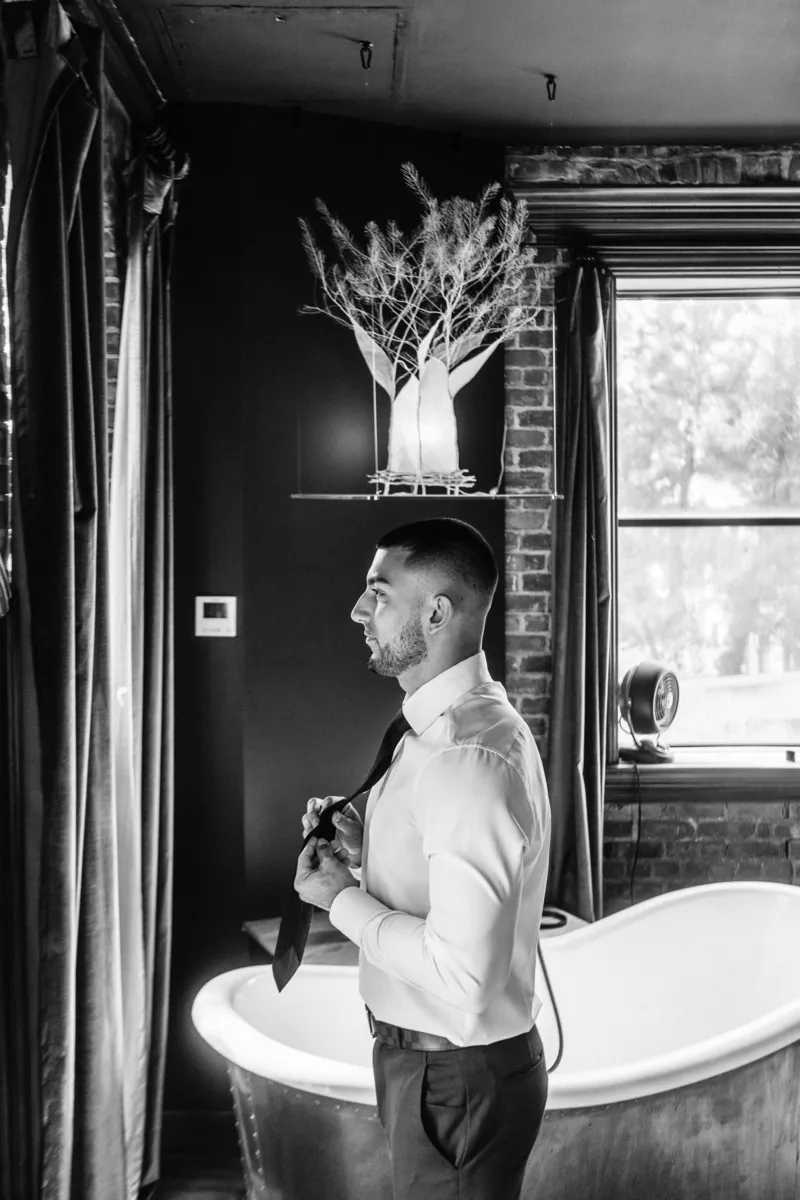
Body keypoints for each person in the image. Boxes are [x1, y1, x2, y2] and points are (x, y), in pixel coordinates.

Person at [293, 517, 551, 1200]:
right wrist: (363, 844)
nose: (357, 610)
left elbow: (463, 977)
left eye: (378, 593)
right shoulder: (440, 730)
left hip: (453, 1081)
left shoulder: (466, 757)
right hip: (435, 1072)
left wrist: (339, 899)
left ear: (436, 612)